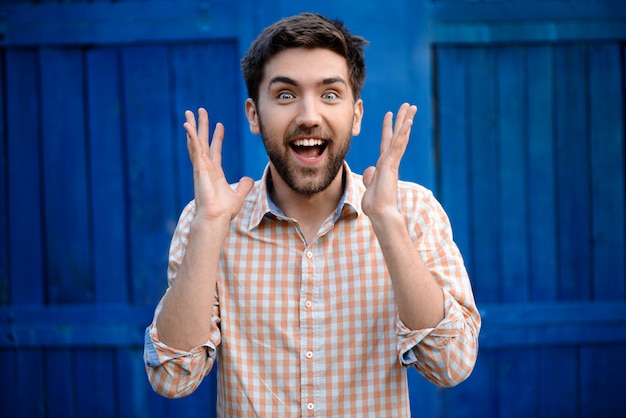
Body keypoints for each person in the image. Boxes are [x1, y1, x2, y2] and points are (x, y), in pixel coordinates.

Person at [144, 12, 481, 417]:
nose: (308, 115)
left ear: (356, 116)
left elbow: (451, 366)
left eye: (330, 94)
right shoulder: (208, 220)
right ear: (254, 114)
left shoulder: (412, 211)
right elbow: (172, 378)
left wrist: (388, 225)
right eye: (285, 95)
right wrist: (210, 227)